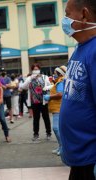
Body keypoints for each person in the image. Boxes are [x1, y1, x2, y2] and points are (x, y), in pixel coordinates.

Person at [60, 0, 96, 179]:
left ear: (84, 14)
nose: (64, 21)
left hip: (91, 160)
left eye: (67, 14)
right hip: (79, 161)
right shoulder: (80, 49)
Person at [20, 64, 52, 141]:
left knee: (46, 117)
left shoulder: (45, 77)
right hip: (34, 101)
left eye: (37, 69)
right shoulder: (29, 78)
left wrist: (46, 88)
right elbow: (23, 87)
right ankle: (36, 134)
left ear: (40, 69)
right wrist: (30, 78)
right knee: (36, 119)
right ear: (32, 70)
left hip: (43, 101)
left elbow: (50, 86)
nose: (36, 70)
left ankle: (48, 133)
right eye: (34, 69)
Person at [43, 65, 66, 156]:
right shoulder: (58, 82)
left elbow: (60, 94)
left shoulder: (60, 82)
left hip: (58, 108)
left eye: (55, 73)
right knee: (58, 129)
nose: (53, 74)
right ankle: (60, 147)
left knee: (56, 128)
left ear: (60, 74)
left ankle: (63, 147)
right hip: (57, 108)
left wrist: (49, 97)